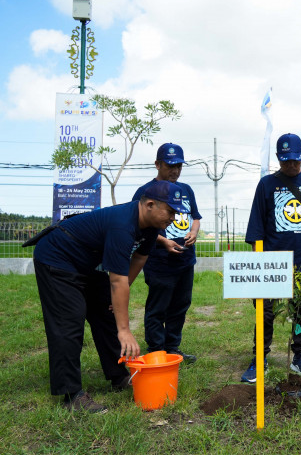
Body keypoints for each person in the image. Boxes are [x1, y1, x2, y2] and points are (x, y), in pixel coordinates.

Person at [32, 181, 189, 413]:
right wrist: (124, 330)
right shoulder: (122, 226)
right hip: (56, 258)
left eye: (176, 212)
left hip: (83, 264)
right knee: (69, 321)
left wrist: (116, 298)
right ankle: (71, 395)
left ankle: (118, 376)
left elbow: (138, 261)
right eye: (170, 211)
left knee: (107, 309)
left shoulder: (152, 227)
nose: (173, 217)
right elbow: (117, 280)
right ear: (149, 204)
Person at [242, 133, 301, 383]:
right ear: (278, 159)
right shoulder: (266, 185)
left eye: (294, 160)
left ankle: (299, 356)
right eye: (285, 161)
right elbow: (257, 226)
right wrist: (257, 266)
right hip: (272, 261)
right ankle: (260, 358)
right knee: (265, 312)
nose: (290, 165)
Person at [132, 143, 202, 363]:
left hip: (185, 259)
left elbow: (196, 217)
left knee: (181, 305)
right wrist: (162, 241)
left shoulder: (186, 190)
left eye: (179, 165)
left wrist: (194, 231)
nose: (175, 170)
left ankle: (173, 349)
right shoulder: (145, 192)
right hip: (159, 261)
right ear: (157, 164)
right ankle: (156, 350)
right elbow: (136, 223)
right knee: (158, 307)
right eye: (170, 165)